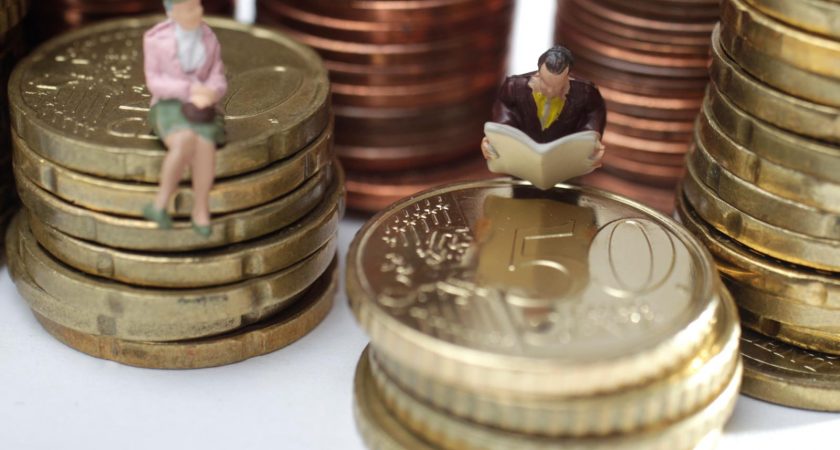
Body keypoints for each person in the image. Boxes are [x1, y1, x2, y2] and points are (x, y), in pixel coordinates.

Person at [142, 0, 227, 237]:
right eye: (189, 9)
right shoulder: (155, 40)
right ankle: (160, 203)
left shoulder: (208, 37)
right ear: (172, 13)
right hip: (168, 105)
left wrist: (210, 93)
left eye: (198, 6)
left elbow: (218, 76)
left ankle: (201, 209)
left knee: (205, 145)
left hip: (202, 106)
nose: (197, 12)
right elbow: (154, 82)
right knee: (185, 139)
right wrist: (190, 90)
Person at [481, 46, 606, 176]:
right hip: (521, 164)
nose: (550, 92)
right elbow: (504, 109)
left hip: (564, 167)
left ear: (568, 77)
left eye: (558, 86)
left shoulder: (585, 92)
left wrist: (592, 140)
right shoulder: (514, 87)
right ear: (538, 73)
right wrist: (495, 139)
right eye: (545, 84)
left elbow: (594, 112)